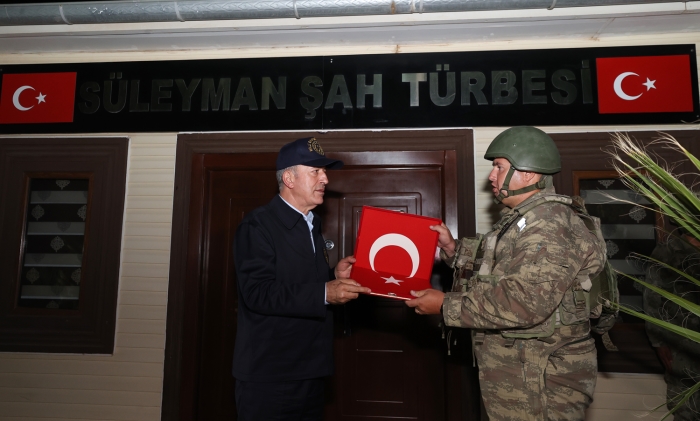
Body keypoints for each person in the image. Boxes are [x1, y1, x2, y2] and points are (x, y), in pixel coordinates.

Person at [406, 126, 606, 421]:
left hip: (540, 381)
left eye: (499, 167)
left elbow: (524, 301)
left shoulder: (548, 225)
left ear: (530, 174)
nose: (491, 176)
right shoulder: (527, 219)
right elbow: (497, 263)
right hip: (524, 372)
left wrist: (445, 305)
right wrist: (452, 248)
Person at [232, 137, 370, 421]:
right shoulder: (258, 226)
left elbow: (298, 281)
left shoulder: (311, 224)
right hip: (270, 376)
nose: (325, 179)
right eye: (315, 171)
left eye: (324, 172)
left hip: (310, 371)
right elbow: (258, 293)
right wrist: (325, 293)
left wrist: (334, 276)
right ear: (289, 179)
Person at [643, 232, 700, 421]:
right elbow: (652, 299)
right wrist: (658, 343)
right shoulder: (669, 250)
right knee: (685, 409)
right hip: (682, 348)